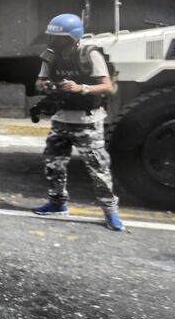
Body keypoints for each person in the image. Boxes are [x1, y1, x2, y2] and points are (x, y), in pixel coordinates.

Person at [32, 13, 125, 231]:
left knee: (98, 169)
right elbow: (40, 81)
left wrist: (80, 88)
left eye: (60, 38)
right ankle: (57, 204)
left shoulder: (89, 55)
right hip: (61, 119)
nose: (54, 41)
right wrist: (46, 86)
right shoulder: (50, 56)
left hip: (87, 121)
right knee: (53, 164)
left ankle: (110, 212)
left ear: (72, 38)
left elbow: (107, 86)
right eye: (52, 37)